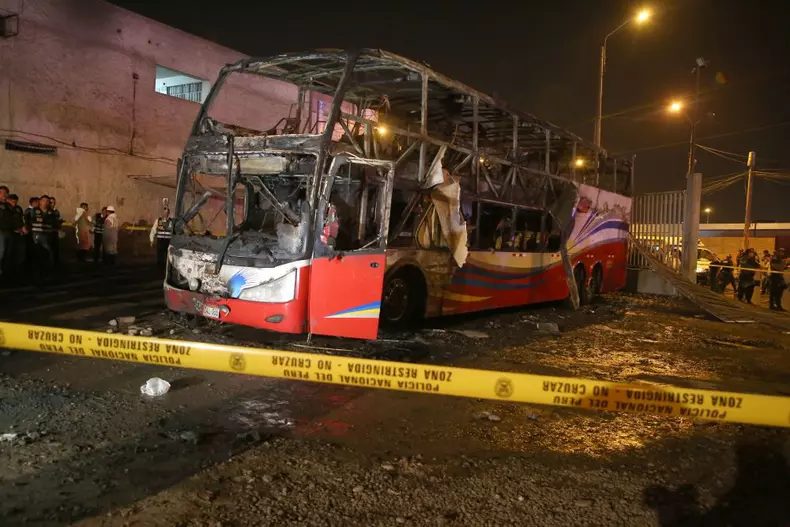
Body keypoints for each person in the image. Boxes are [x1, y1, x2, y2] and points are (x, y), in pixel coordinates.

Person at [26, 195, 54, 283]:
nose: (45, 202)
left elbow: (54, 223)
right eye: (43, 200)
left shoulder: (51, 212)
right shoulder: (34, 211)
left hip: (47, 235)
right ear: (40, 201)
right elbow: (27, 221)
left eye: (47, 201)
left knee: (46, 254)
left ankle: (44, 274)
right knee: (38, 253)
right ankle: (36, 275)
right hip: (37, 234)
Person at [6, 194, 25, 279]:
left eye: (15, 202)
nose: (14, 203)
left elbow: (20, 220)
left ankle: (17, 271)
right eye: (12, 201)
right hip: (9, 232)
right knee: (7, 252)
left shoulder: (18, 209)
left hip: (18, 233)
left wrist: (22, 227)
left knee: (19, 253)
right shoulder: (5, 209)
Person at [48, 196, 63, 266]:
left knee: (56, 248)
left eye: (54, 203)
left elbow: (57, 221)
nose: (52, 204)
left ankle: (56, 263)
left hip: (54, 231)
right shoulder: (46, 211)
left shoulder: (56, 212)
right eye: (51, 202)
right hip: (47, 232)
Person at [0, 185, 11, 281]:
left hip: (8, 232)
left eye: (6, 193)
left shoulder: (9, 206)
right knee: (1, 252)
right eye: (2, 193)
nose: (4, 195)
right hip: (1, 232)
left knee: (6, 253)